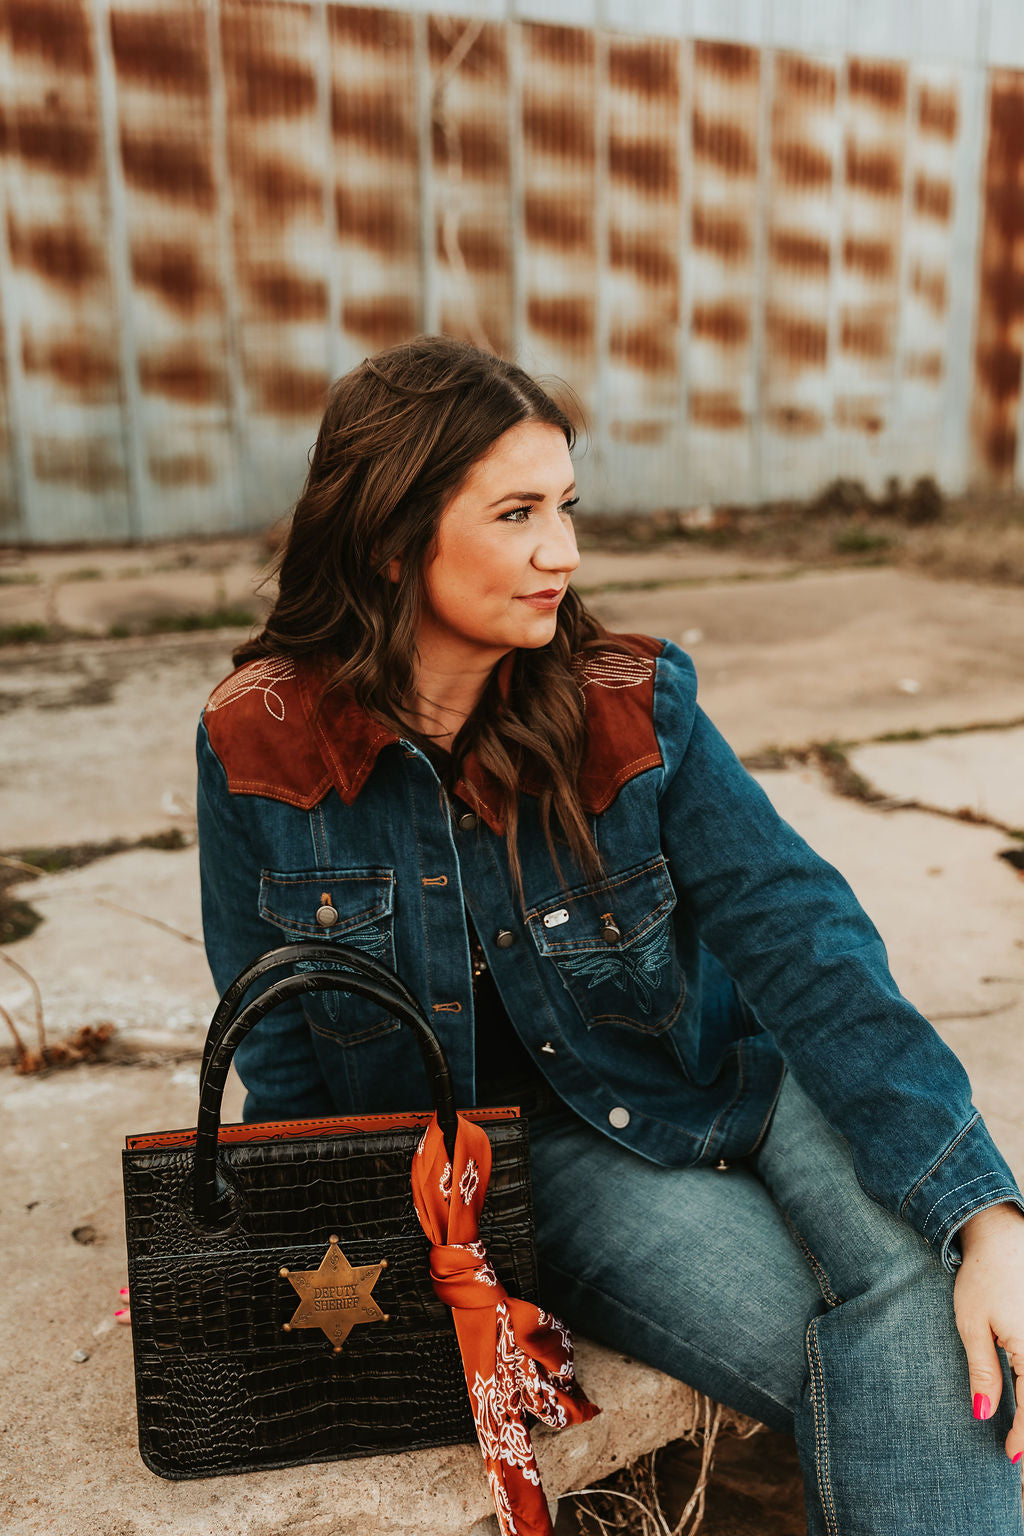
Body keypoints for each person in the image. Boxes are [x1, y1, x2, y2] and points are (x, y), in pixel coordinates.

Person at [197, 335, 1024, 1534]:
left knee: (945, 1283)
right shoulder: (259, 744)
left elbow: (805, 944)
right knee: (910, 1356)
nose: (564, 553)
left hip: (730, 1072)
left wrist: (988, 1218)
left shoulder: (630, 701)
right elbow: (275, 1040)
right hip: (543, 1156)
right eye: (517, 514)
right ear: (389, 537)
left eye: (566, 507)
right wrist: (285, 1241)